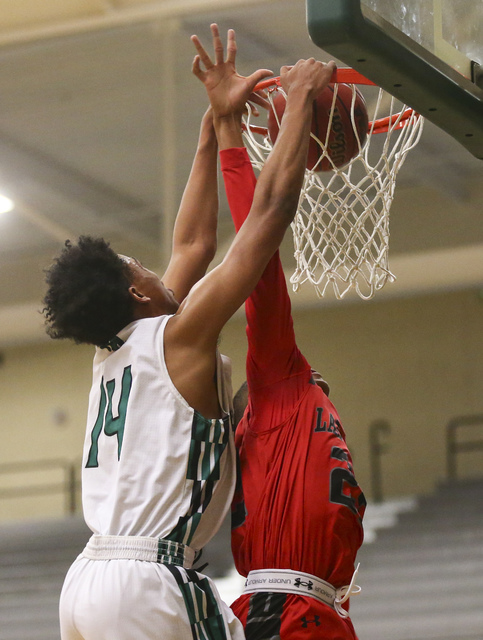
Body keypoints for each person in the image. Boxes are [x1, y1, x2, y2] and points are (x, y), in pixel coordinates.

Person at [43, 23, 336, 640]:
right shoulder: (176, 338)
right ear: (136, 291)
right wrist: (299, 108)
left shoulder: (117, 350)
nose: (154, 266)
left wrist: (216, 125)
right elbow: (267, 219)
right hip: (147, 580)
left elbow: (194, 242)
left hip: (86, 583)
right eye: (139, 265)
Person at [210, 64, 367, 639]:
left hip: (326, 614)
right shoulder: (283, 388)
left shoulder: (307, 414)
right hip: (281, 611)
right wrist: (243, 127)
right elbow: (260, 259)